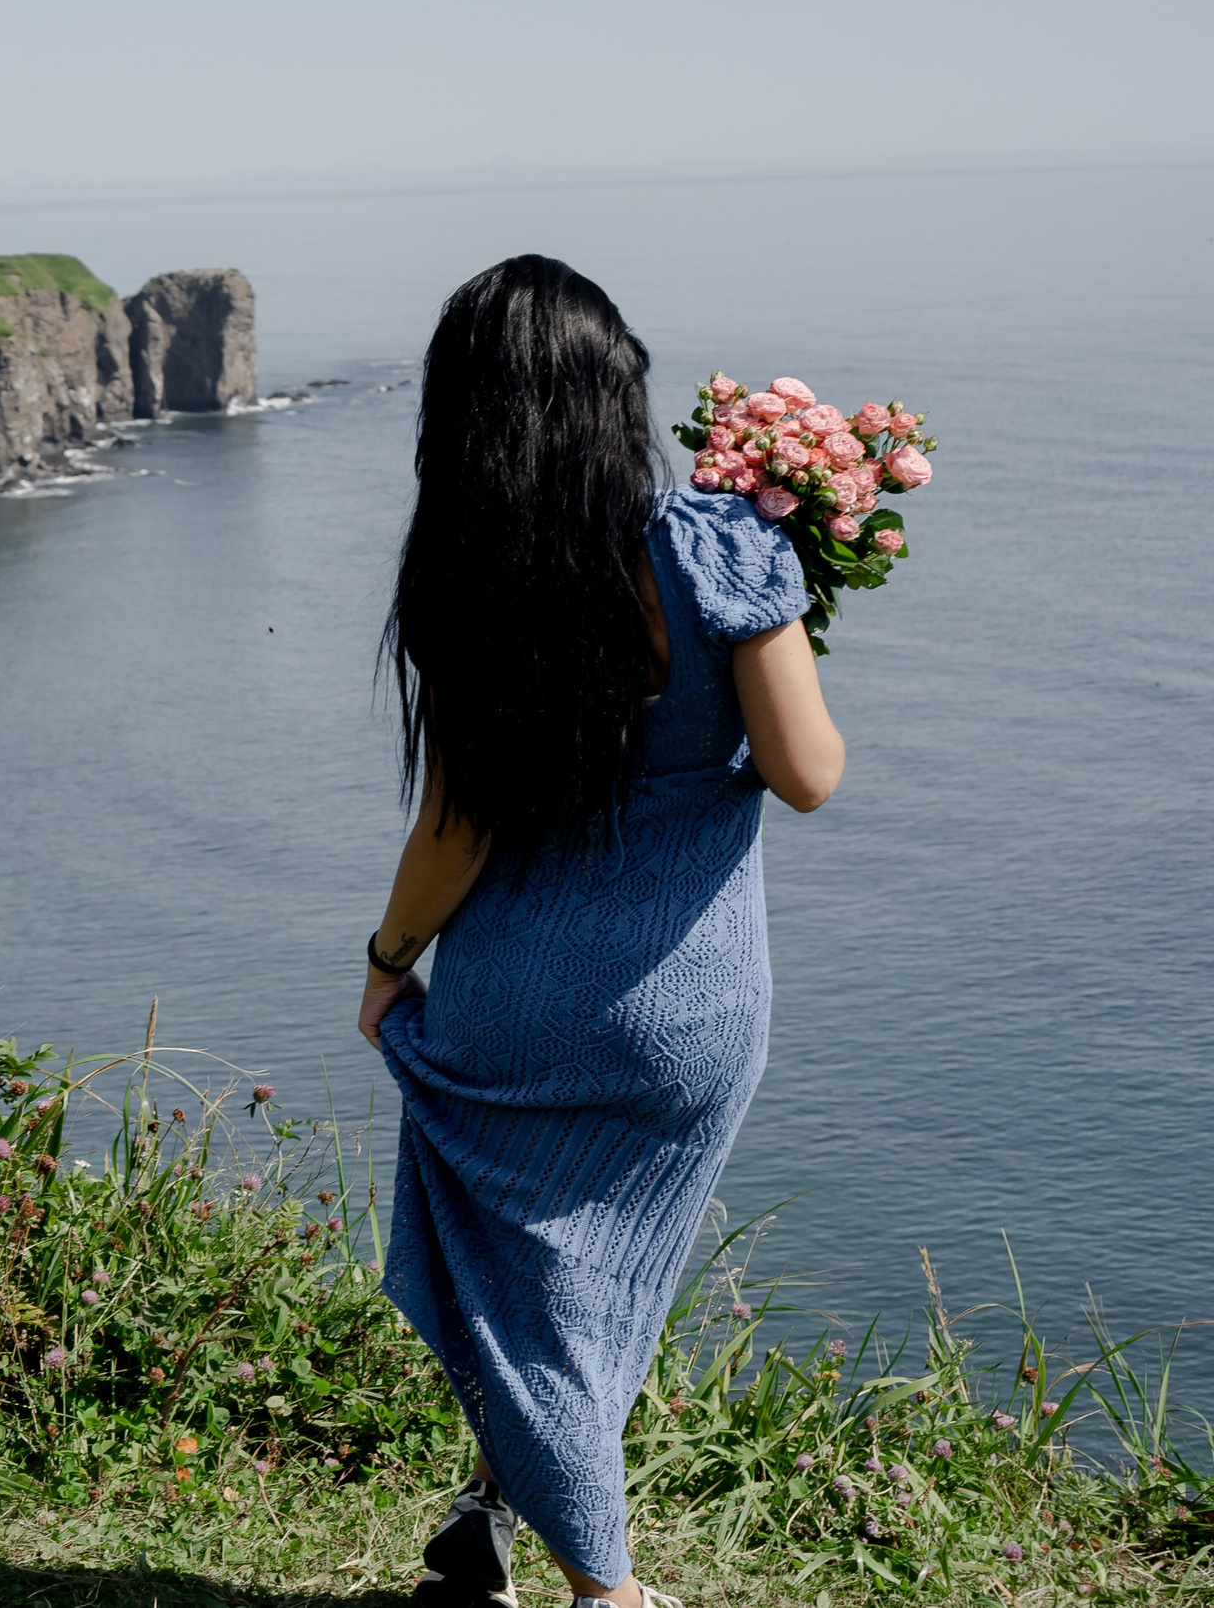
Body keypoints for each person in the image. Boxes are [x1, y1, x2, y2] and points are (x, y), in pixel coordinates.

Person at [356, 256, 845, 1608]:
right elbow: (808, 774)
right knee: (597, 1287)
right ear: (618, 400)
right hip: (692, 1005)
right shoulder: (724, 549)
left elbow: (455, 831)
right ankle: (545, 1552)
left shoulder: (470, 586)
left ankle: (584, 1575)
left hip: (518, 994)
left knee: (524, 1280)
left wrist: (389, 965)